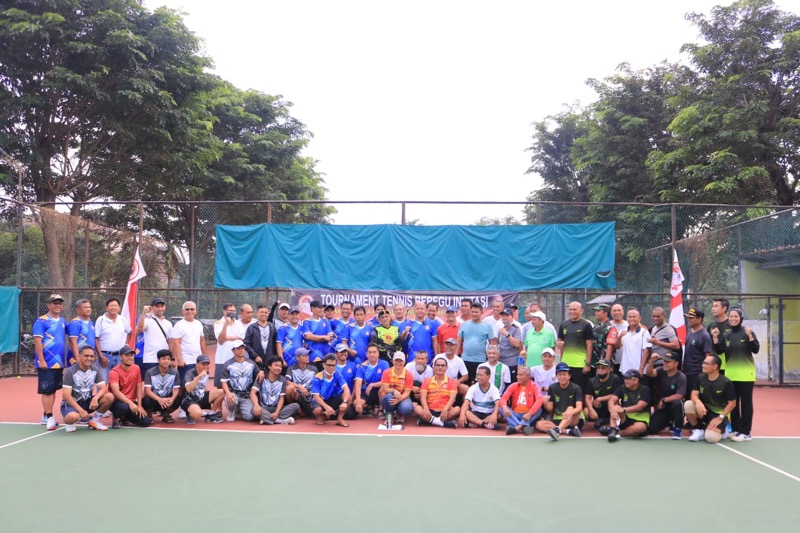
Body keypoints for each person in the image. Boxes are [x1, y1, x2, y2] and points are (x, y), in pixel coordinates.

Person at [712, 308, 759, 441]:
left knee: (746, 403)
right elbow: (719, 349)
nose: (733, 319)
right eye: (731, 316)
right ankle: (736, 430)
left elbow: (755, 349)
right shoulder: (726, 335)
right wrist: (715, 337)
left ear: (741, 318)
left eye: (736, 317)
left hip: (746, 374)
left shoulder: (747, 332)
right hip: (731, 374)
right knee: (733, 403)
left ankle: (746, 432)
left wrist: (750, 336)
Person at [33, 293, 67, 430]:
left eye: (59, 303)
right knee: (47, 391)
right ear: (49, 305)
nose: (57, 305)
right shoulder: (41, 321)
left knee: (52, 390)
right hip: (46, 362)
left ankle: (45, 416)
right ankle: (49, 417)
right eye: (54, 303)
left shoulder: (63, 321)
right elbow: (37, 341)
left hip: (59, 363)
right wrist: (41, 360)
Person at [60, 346, 114, 432]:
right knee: (72, 417)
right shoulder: (70, 372)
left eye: (92, 356)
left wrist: (96, 398)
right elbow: (66, 395)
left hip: (87, 402)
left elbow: (103, 388)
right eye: (86, 356)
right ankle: (71, 423)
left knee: (109, 397)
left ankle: (94, 421)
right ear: (79, 356)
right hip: (71, 404)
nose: (89, 358)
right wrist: (80, 410)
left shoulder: (95, 370)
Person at [685, 355, 736, 443]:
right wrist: (698, 402)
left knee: (711, 438)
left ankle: (722, 428)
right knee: (688, 404)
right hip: (704, 411)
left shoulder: (726, 382)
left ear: (715, 366)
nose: (703, 365)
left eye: (706, 363)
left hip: (719, 414)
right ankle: (698, 429)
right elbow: (694, 394)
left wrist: (720, 418)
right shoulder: (700, 377)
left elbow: (732, 403)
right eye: (703, 363)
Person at [536, 362, 584, 441]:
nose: (562, 377)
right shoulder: (553, 387)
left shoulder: (576, 388)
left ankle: (558, 430)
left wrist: (570, 413)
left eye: (564, 374)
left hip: (575, 419)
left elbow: (579, 408)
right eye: (560, 374)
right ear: (557, 376)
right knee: (539, 424)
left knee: (570, 408)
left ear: (569, 376)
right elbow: (550, 408)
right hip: (560, 418)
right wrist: (545, 403)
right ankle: (568, 431)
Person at [108, 345, 152, 429]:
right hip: (118, 402)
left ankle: (124, 417)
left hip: (132, 402)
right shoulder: (114, 372)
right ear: (120, 357)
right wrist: (130, 403)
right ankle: (115, 418)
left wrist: (139, 405)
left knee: (145, 422)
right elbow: (116, 392)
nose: (130, 358)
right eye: (126, 355)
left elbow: (139, 386)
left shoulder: (136, 368)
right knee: (123, 407)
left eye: (131, 355)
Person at [645, 351, 687, 439]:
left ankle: (677, 429)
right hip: (663, 408)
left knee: (677, 403)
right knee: (651, 428)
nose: (665, 364)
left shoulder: (681, 377)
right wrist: (651, 361)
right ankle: (668, 422)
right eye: (664, 361)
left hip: (674, 406)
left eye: (668, 362)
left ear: (676, 363)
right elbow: (649, 373)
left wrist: (664, 399)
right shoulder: (660, 370)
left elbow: (680, 395)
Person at [556, 301, 593, 392]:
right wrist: (558, 344)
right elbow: (559, 342)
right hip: (566, 364)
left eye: (575, 309)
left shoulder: (586, 325)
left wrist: (587, 364)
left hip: (580, 364)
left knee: (580, 390)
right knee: (566, 390)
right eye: (570, 309)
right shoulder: (564, 324)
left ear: (581, 311)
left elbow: (590, 345)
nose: (572, 311)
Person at [251, 357, 299, 425]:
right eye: (276, 365)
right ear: (269, 366)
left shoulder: (283, 380)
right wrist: (256, 405)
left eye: (280, 366)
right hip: (264, 408)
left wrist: (277, 412)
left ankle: (266, 419)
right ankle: (281, 421)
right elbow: (253, 392)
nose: (278, 368)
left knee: (296, 406)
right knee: (253, 409)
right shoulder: (261, 377)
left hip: (276, 408)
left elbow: (281, 398)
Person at [606, 369, 651, 442]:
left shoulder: (645, 389)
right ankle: (612, 430)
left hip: (641, 421)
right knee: (615, 407)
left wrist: (623, 410)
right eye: (625, 378)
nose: (626, 381)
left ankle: (616, 433)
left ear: (636, 381)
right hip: (626, 418)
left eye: (628, 379)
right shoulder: (621, 387)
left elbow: (640, 407)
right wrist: (612, 410)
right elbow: (611, 400)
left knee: (639, 427)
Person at [414, 357, 459, 428]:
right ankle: (442, 423)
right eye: (438, 365)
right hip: (430, 411)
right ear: (434, 367)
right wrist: (426, 409)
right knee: (416, 407)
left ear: (446, 368)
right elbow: (423, 397)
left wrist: (445, 409)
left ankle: (429, 421)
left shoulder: (452, 382)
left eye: (442, 365)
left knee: (457, 409)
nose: (440, 367)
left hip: (445, 411)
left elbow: (452, 398)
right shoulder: (426, 381)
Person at [457, 302, 496, 384]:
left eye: (476, 312)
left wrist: (490, 358)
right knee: (464, 384)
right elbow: (459, 341)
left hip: (480, 360)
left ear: (481, 313)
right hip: (465, 360)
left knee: (479, 384)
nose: (474, 314)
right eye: (472, 312)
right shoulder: (464, 325)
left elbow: (492, 344)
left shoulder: (487, 326)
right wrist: (457, 357)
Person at [94, 297, 132, 382]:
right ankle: (102, 396)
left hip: (120, 356)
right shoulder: (101, 320)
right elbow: (96, 338)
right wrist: (100, 356)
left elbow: (130, 332)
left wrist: (125, 345)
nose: (113, 307)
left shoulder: (122, 319)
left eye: (115, 305)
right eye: (111, 306)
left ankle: (117, 396)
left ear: (119, 308)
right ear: (106, 308)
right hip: (105, 356)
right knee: (103, 381)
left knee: (119, 381)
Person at [220, 341, 260, 422]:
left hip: (246, 396)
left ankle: (239, 410)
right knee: (231, 398)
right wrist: (228, 393)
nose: (241, 350)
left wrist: (261, 371)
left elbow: (259, 375)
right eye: (238, 348)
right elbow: (223, 381)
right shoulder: (227, 364)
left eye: (242, 348)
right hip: (234, 394)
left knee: (250, 417)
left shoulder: (251, 363)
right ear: (233, 351)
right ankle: (231, 411)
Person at [169, 301, 207, 383]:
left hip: (198, 361)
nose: (190, 311)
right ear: (183, 311)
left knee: (199, 383)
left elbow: (202, 341)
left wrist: (206, 358)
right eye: (187, 309)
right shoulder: (179, 325)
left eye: (192, 309)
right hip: (186, 362)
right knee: (184, 384)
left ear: (196, 311)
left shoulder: (199, 324)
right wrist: (179, 360)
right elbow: (176, 343)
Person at [311, 354, 352, 426]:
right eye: (329, 365)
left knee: (348, 396)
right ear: (324, 365)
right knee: (317, 411)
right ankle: (322, 415)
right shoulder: (317, 377)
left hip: (332, 399)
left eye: (333, 365)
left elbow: (346, 388)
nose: (331, 367)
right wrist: (327, 407)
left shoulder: (337, 374)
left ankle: (339, 419)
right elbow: (316, 396)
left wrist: (344, 402)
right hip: (321, 401)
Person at [500, 366, 543, 435]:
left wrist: (529, 413)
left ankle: (517, 428)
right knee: (501, 408)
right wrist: (505, 408)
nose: (518, 377)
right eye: (517, 374)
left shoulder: (535, 386)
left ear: (528, 376)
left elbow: (539, 400)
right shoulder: (513, 386)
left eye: (521, 375)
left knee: (539, 410)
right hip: (515, 414)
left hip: (528, 414)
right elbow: (503, 398)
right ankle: (523, 427)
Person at [182, 355, 224, 424]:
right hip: (189, 400)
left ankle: (211, 414)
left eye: (207, 364)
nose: (205, 366)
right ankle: (189, 413)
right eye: (203, 364)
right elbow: (188, 389)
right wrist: (199, 376)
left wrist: (209, 395)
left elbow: (202, 386)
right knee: (197, 414)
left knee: (222, 392)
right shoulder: (189, 373)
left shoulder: (206, 372)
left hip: (201, 397)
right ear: (197, 364)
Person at [350, 343, 389, 418]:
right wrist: (357, 401)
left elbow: (386, 381)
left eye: (374, 352)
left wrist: (372, 385)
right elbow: (358, 385)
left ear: (378, 353)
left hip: (379, 391)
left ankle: (380, 410)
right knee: (355, 404)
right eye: (370, 352)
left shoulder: (384, 364)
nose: (372, 354)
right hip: (366, 393)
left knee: (383, 389)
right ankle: (370, 407)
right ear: (366, 354)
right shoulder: (362, 367)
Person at [142, 349, 182, 423]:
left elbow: (176, 389)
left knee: (178, 399)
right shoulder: (150, 372)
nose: (166, 361)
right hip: (154, 400)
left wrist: (172, 399)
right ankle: (149, 415)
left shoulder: (175, 372)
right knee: (146, 399)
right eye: (163, 359)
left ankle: (166, 414)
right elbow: (147, 391)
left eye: (168, 359)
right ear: (158, 360)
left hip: (167, 401)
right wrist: (159, 399)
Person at [137, 297, 173, 376]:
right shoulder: (147, 320)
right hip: (151, 359)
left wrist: (172, 358)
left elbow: (170, 342)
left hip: (164, 359)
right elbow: (139, 329)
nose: (160, 308)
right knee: (150, 384)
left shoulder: (168, 323)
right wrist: (144, 313)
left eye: (162, 306)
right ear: (152, 308)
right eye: (157, 306)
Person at [584, 358, 622, 431]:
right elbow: (587, 397)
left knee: (615, 403)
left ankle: (613, 425)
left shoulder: (615, 379)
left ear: (609, 369)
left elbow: (616, 395)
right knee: (586, 411)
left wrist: (599, 398)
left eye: (603, 368)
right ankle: (600, 420)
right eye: (598, 367)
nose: (600, 370)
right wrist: (591, 409)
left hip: (609, 405)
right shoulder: (592, 381)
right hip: (598, 406)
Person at [682, 308, 714, 394]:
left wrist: (705, 372)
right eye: (688, 317)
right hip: (687, 371)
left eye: (691, 318)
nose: (689, 320)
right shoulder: (690, 332)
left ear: (699, 319)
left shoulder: (704, 335)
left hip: (697, 372)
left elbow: (708, 356)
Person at [379, 351, 414, 423]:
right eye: (396, 360)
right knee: (388, 398)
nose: (398, 363)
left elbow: (407, 392)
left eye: (400, 360)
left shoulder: (408, 374)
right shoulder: (386, 372)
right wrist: (394, 391)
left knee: (406, 408)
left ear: (404, 362)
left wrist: (398, 399)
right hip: (390, 395)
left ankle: (400, 414)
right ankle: (389, 415)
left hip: (403, 397)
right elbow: (385, 389)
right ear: (392, 361)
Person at [615, 308, 651, 375]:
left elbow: (646, 352)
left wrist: (641, 368)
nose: (632, 319)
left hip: (638, 370)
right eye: (630, 317)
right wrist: (619, 337)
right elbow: (617, 347)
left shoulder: (644, 332)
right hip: (625, 369)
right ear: (627, 318)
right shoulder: (623, 331)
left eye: (634, 317)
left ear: (639, 318)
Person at [285, 348, 318, 418]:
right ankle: (295, 410)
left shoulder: (314, 369)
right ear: (298, 358)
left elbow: (318, 383)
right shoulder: (291, 368)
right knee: (289, 388)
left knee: (318, 414)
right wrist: (299, 387)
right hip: (297, 396)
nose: (307, 357)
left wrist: (311, 392)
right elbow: (286, 381)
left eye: (307, 355)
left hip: (310, 396)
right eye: (304, 355)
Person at [244, 304, 278, 369]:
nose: (264, 314)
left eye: (266, 312)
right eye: (261, 312)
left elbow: (275, 344)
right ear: (256, 313)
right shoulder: (251, 328)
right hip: (255, 362)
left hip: (270, 362)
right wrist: (255, 356)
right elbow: (246, 344)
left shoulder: (272, 327)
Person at [213, 303, 238, 387]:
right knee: (220, 388)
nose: (232, 313)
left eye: (234, 311)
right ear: (224, 311)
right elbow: (220, 339)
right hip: (222, 360)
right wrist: (225, 325)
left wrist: (226, 338)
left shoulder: (238, 323)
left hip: (235, 360)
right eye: (230, 311)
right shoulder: (218, 323)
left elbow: (242, 338)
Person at [67, 298, 96, 368]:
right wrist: (78, 359)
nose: (88, 309)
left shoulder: (91, 323)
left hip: (89, 358)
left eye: (89, 307)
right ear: (78, 310)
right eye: (85, 307)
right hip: (78, 360)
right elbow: (73, 342)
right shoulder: (75, 323)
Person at [497, 307, 523, 382]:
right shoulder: (501, 329)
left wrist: (507, 334)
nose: (504, 317)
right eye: (503, 315)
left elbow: (517, 344)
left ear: (512, 317)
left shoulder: (516, 329)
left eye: (507, 315)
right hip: (501, 362)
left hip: (512, 362)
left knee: (511, 383)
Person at [707, 298, 732, 372]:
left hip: (729, 366)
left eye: (716, 306)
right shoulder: (711, 326)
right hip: (714, 366)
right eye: (712, 306)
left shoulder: (731, 325)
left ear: (724, 308)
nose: (713, 309)